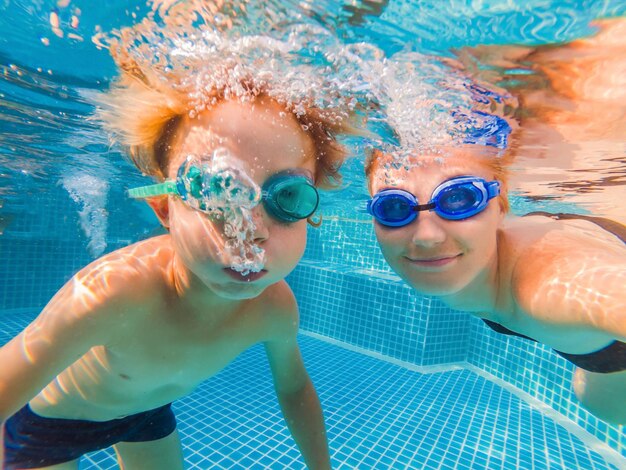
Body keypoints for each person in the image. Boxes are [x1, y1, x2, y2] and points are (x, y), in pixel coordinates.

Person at [0, 9, 359, 468]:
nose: (247, 232)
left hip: (144, 413)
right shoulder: (113, 294)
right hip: (52, 424)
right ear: (166, 208)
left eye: (287, 196)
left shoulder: (274, 306)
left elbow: (293, 388)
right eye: (215, 191)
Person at [364, 130, 626, 424]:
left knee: (604, 406)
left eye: (459, 198)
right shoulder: (471, 264)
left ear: (500, 204)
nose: (427, 237)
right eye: (394, 207)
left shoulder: (556, 278)